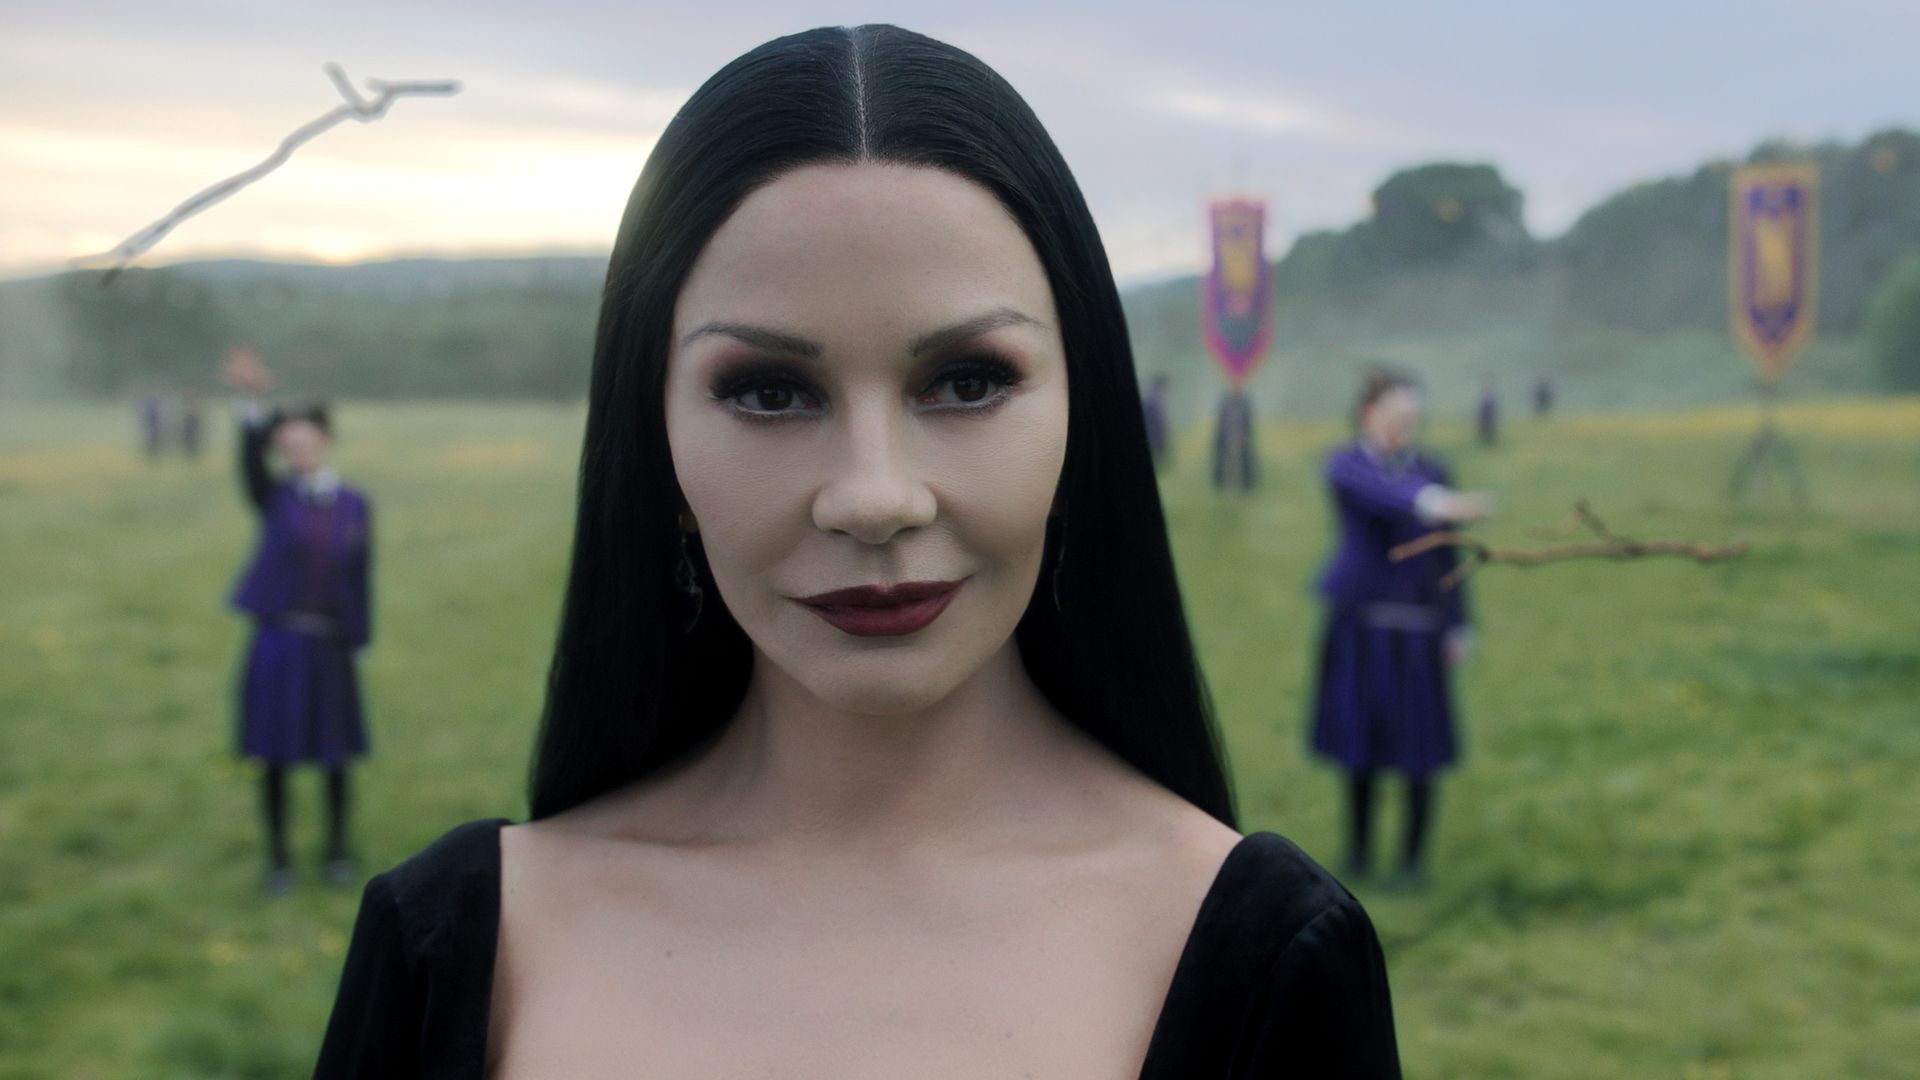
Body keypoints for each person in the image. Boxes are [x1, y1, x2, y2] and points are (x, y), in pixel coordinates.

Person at [315, 25, 1400, 1078]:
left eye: (967, 381)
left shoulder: (1263, 953)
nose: (873, 498)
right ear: (657, 444)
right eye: (769, 391)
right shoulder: (455, 942)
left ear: (1086, 422)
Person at [1311, 370, 1493, 890]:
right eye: (1395, 417)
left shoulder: (1433, 468)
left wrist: (1458, 626)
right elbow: (1382, 496)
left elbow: (1447, 555)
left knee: (1420, 749)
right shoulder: (1346, 466)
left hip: (1419, 632)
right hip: (1361, 628)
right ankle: (1359, 856)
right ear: (1368, 414)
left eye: (1412, 419)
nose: (1404, 428)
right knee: (1359, 746)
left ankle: (1413, 864)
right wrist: (1434, 503)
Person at [220, 347, 372, 896]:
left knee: (336, 758)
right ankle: (279, 860)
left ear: (324, 440)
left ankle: (336, 852)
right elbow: (248, 461)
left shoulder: (355, 504)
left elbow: (360, 577)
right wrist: (251, 400)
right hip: (277, 644)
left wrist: (358, 638)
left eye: (307, 438)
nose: (299, 447)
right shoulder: (273, 497)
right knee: (275, 758)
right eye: (289, 441)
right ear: (282, 448)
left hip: (331, 645)